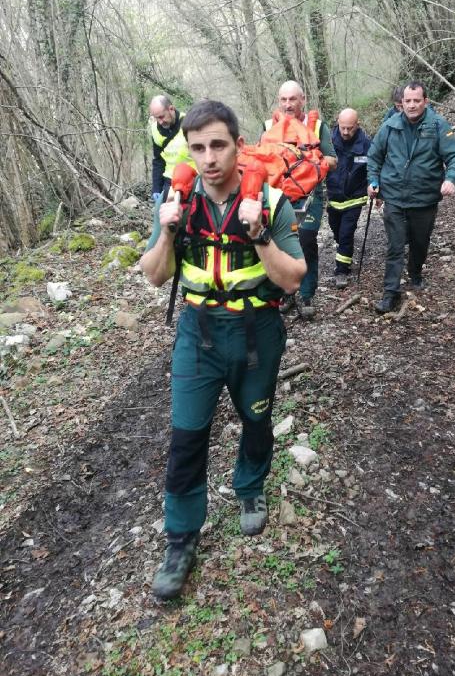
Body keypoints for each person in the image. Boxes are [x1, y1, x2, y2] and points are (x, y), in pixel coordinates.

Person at [140, 99, 306, 600]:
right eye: (198, 149)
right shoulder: (177, 201)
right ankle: (181, 537)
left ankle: (250, 487)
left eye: (218, 145)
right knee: (186, 436)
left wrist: (256, 234)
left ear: (238, 145)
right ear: (188, 153)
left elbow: (294, 279)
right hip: (197, 331)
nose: (209, 158)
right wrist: (167, 231)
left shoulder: (273, 203)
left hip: (257, 331)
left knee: (256, 418)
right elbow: (153, 274)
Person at [367, 81, 455, 314]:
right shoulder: (389, 126)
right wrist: (373, 182)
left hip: (425, 198)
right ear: (402, 103)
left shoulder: (439, 125)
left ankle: (416, 272)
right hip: (394, 197)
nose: (411, 105)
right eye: (407, 101)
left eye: (416, 101)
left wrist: (450, 179)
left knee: (420, 242)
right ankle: (390, 293)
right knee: (395, 245)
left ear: (425, 102)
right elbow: (374, 157)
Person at [263, 80, 337, 319]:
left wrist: (308, 160)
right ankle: (287, 293)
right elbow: (258, 160)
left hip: (310, 196)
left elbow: (333, 160)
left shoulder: (317, 127)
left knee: (305, 239)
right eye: (283, 100)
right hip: (278, 196)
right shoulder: (268, 127)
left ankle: (307, 294)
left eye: (292, 99)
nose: (288, 104)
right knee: (280, 242)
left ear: (302, 100)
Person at [326, 108, 371, 288]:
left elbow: (373, 168)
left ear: (357, 125)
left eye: (350, 128)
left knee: (346, 233)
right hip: (334, 198)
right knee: (336, 230)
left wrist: (375, 186)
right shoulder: (328, 141)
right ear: (337, 122)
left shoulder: (366, 145)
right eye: (342, 127)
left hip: (355, 198)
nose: (345, 132)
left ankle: (342, 270)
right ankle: (344, 248)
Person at [149, 95, 194, 201]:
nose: (160, 122)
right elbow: (158, 161)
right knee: (163, 214)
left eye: (161, 117)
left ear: (171, 109)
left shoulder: (190, 123)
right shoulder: (155, 130)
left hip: (192, 178)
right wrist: (156, 188)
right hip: (170, 181)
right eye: (156, 118)